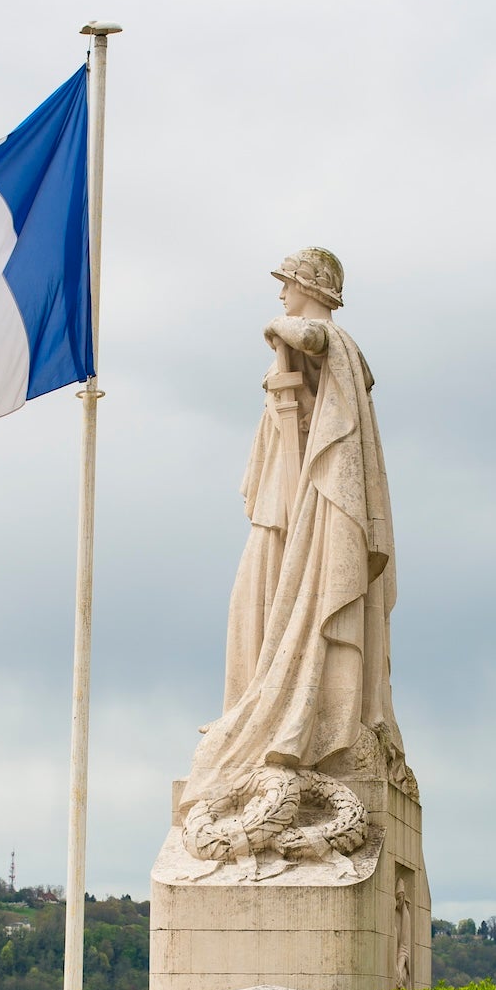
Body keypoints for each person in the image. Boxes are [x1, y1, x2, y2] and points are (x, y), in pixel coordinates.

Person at [180, 248, 408, 821]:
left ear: (309, 286)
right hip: (287, 503)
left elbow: (311, 337)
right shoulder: (318, 353)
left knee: (272, 603)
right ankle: (252, 708)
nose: (280, 294)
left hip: (316, 508)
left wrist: (279, 329)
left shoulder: (334, 342)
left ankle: (280, 714)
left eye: (287, 284)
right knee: (247, 605)